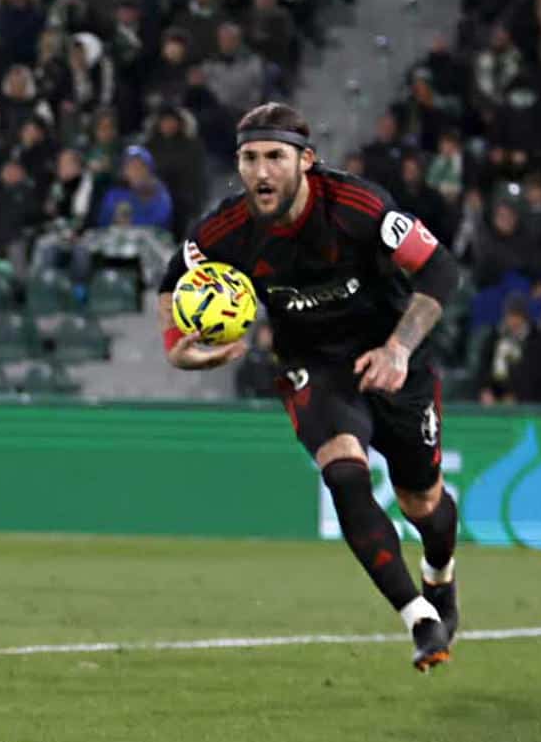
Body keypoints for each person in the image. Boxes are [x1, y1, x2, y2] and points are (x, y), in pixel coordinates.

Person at [158, 102, 463, 671]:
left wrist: (399, 348)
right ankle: (419, 618)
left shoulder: (357, 206)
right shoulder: (226, 229)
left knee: (422, 503)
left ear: (306, 160)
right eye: (249, 158)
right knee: (343, 474)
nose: (261, 171)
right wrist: (177, 346)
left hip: (392, 356)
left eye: (275, 156)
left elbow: (440, 268)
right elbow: (173, 277)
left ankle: (440, 576)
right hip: (313, 363)